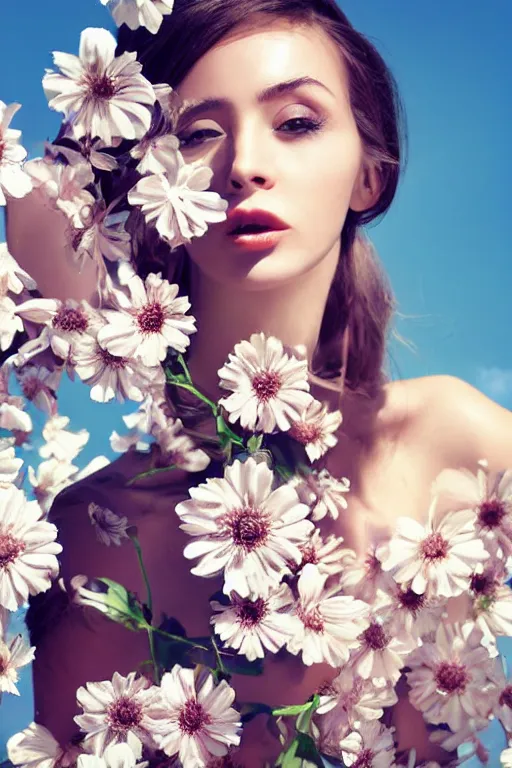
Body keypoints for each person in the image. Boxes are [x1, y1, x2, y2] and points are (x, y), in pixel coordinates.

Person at [7, 0, 512, 765]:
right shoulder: (96, 534)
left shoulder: (454, 443)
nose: (243, 162)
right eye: (198, 134)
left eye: (297, 122)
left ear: (370, 175)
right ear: (146, 178)